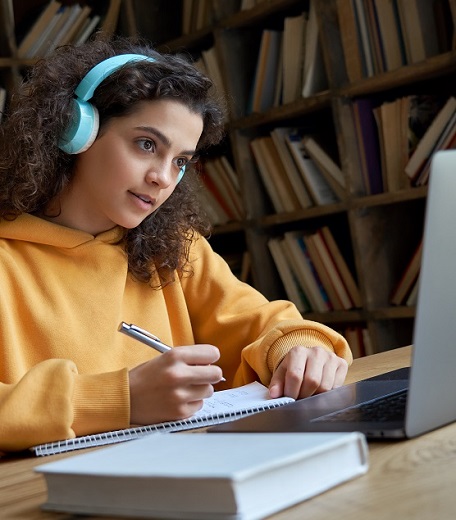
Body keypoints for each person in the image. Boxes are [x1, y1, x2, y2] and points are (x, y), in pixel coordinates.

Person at [0, 36, 352, 453]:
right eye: (147, 144)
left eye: (180, 161)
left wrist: (298, 348)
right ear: (76, 131)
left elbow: (258, 319)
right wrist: (120, 399)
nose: (163, 178)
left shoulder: (173, 248)